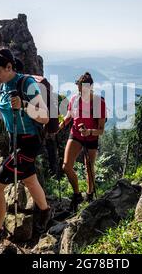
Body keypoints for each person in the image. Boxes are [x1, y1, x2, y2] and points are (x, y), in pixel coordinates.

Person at [0, 47, 51, 250]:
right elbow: (3, 109)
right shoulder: (4, 85)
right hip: (15, 140)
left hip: (28, 142)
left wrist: (23, 105)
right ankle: (46, 211)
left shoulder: (27, 84)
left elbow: (45, 116)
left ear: (9, 66)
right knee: (30, 180)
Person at [58, 72, 106, 212]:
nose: (80, 93)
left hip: (91, 137)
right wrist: (60, 126)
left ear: (91, 88)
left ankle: (90, 194)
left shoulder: (98, 103)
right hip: (76, 134)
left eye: (83, 90)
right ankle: (77, 194)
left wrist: (89, 131)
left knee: (89, 167)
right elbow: (69, 116)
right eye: (79, 90)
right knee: (66, 166)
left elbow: (101, 130)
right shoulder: (74, 99)